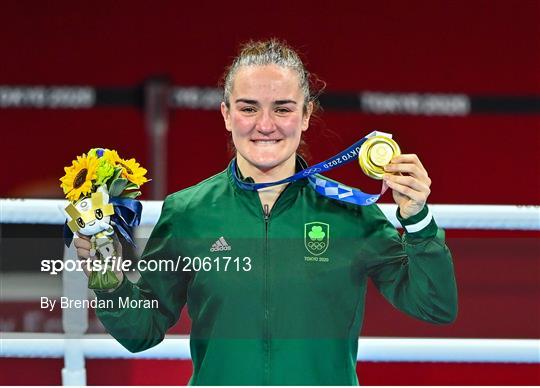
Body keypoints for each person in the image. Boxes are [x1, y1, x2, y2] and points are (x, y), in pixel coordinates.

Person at [75, 39, 457, 385]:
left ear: (306, 115)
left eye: (283, 108)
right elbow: (143, 330)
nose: (265, 125)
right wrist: (104, 273)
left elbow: (434, 306)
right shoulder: (187, 212)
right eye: (248, 108)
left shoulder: (349, 212)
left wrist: (418, 219)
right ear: (226, 114)